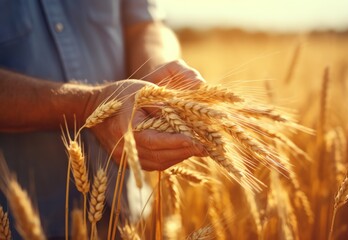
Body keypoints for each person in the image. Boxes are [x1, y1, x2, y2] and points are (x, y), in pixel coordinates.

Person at [0, 0, 205, 238]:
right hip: (21, 226)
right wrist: (89, 105)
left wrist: (158, 74)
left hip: (127, 217)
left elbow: (146, 25)